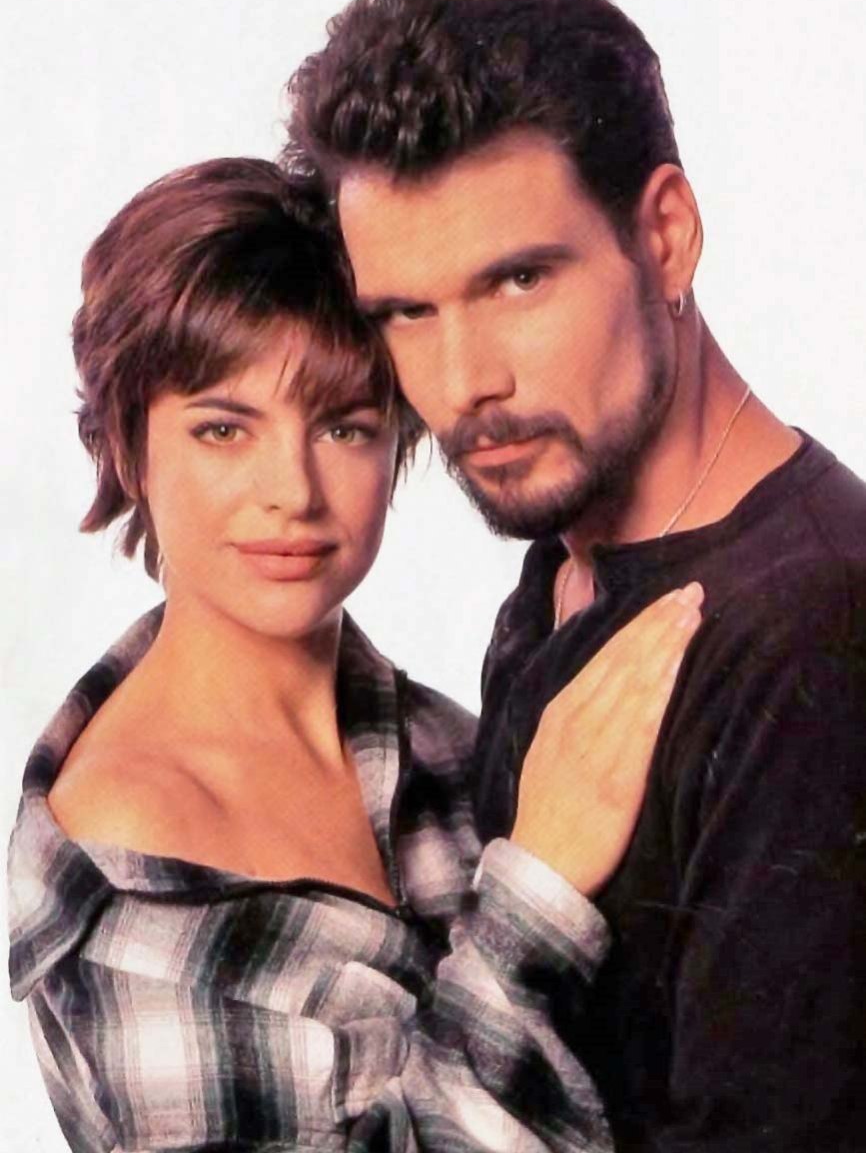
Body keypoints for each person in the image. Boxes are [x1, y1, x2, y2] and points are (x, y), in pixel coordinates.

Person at [283, 0, 866, 1148]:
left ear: (664, 235)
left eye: (517, 280)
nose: (464, 383)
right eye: (406, 312)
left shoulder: (812, 636)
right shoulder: (566, 563)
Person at [7, 156, 703, 1153]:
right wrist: (535, 894)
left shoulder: (443, 739)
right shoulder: (125, 882)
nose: (292, 491)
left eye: (343, 427)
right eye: (223, 429)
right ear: (128, 444)